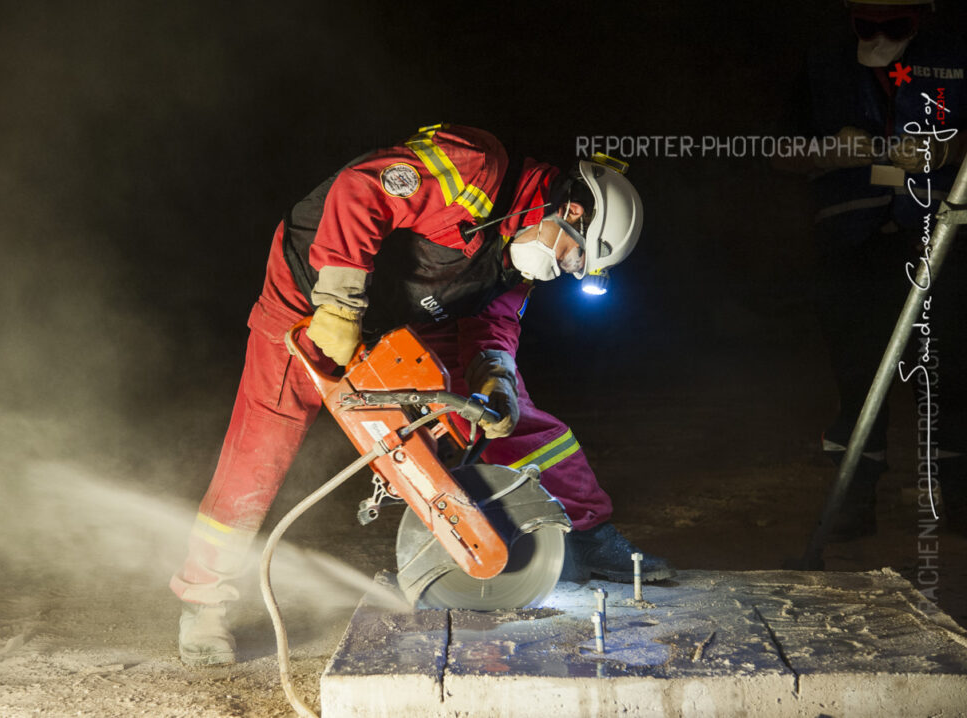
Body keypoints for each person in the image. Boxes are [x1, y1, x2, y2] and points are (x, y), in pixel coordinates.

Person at [171, 123, 675, 666]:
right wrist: (339, 303)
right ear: (571, 213)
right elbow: (361, 188)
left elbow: (493, 325)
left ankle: (588, 533)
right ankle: (204, 603)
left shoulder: (522, 257)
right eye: (575, 259)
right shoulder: (475, 168)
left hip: (407, 312)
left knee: (501, 415)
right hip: (310, 292)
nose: (564, 273)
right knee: (260, 448)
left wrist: (493, 373)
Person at [776, 0, 966, 540]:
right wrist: (824, 150)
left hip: (940, 235)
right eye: (868, 25)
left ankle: (959, 498)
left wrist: (951, 151)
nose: (880, 36)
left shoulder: (956, 57)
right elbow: (775, 150)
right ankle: (854, 503)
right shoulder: (822, 63)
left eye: (895, 25)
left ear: (922, 14)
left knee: (951, 376)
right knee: (857, 377)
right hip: (850, 241)